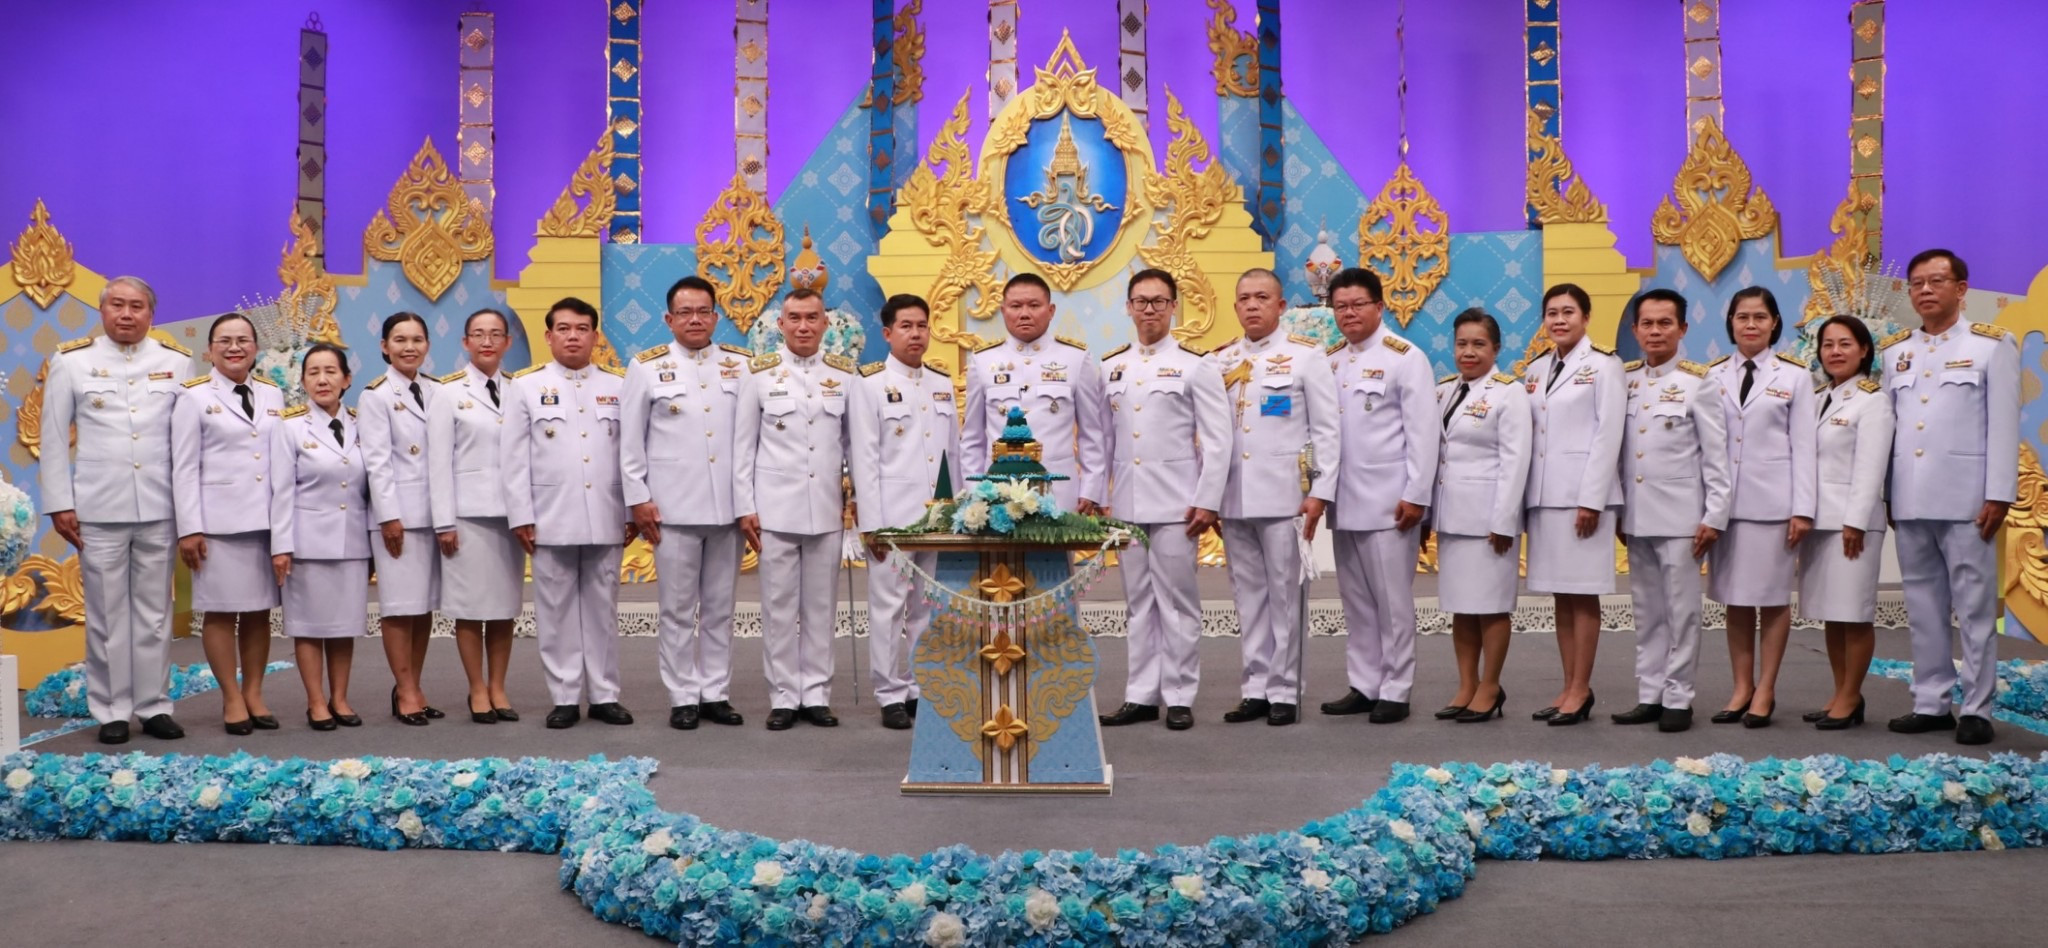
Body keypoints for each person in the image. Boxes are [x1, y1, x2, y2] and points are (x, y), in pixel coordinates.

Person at [41, 276, 194, 744]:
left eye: (137, 306)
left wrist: (189, 511)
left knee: (154, 613)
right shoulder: (72, 361)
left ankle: (154, 706)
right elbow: (53, 438)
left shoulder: (177, 362)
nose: (126, 314)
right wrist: (60, 503)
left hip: (159, 505)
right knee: (107, 613)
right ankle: (111, 709)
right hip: (98, 508)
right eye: (117, 305)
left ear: (151, 313)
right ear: (103, 311)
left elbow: (187, 443)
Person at [1884, 249, 2017, 745]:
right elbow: (1891, 428)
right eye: (1917, 282)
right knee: (1922, 605)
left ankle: (1977, 708)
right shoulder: (1895, 352)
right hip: (1910, 496)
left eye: (1936, 280)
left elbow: (2004, 424)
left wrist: (1999, 493)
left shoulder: (1990, 345)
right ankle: (1931, 701)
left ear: (1961, 289)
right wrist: (1887, 494)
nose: (1924, 290)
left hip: (1968, 499)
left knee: (1975, 608)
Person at [1092, 270, 1229, 732]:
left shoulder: (1196, 365)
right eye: (1141, 301)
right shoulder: (1112, 367)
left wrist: (1208, 499)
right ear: (1128, 307)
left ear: (1173, 307)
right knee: (1138, 604)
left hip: (1177, 504)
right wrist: (1103, 496)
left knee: (1177, 602)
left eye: (1158, 301)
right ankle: (1141, 695)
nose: (1149, 309)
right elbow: (1104, 441)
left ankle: (1179, 695)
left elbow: (1217, 440)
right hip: (1128, 505)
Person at [621, 276, 753, 730]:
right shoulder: (646, 367)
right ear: (669, 319)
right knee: (677, 609)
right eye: (685, 312)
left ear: (715, 317)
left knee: (720, 607)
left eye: (703, 312)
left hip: (728, 508)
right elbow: (631, 442)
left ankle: (715, 692)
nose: (695, 320)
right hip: (672, 509)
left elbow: (749, 441)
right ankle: (682, 696)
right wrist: (638, 499)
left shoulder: (741, 365)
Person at [1211, 268, 1340, 726]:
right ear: (1235, 306)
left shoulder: (1305, 357)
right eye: (1244, 298)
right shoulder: (1220, 359)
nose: (1252, 305)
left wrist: (1320, 492)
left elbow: (1327, 430)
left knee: (1286, 596)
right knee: (1247, 597)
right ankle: (1255, 687)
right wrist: (1210, 496)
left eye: (1262, 297)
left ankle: (1285, 689)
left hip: (1286, 496)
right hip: (1234, 495)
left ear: (1281, 306)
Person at [504, 297, 635, 730]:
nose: (573, 336)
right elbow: (513, 458)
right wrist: (521, 515)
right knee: (556, 611)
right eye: (563, 329)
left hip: (606, 513)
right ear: (549, 336)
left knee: (603, 610)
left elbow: (632, 453)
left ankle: (604, 695)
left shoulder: (618, 385)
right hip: (549, 516)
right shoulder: (526, 386)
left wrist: (631, 510)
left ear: (595, 336)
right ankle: (563, 696)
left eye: (582, 329)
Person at [1316, 268, 1436, 725]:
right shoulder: (1330, 361)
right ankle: (1364, 684)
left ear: (1379, 307)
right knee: (1357, 601)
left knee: (1392, 603)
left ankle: (1396, 688)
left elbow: (1423, 433)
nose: (1348, 314)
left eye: (1357, 305)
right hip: (1343, 500)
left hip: (1390, 502)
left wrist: (1417, 495)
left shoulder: (1405, 358)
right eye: (1340, 307)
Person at [735, 288, 857, 731]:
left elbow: (854, 445)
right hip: (774, 510)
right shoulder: (758, 374)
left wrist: (857, 498)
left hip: (826, 507)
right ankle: (784, 696)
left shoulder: (845, 375)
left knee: (822, 608)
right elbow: (743, 448)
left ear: (826, 323)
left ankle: (817, 695)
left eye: (811, 317)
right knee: (779, 606)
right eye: (795, 318)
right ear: (780, 324)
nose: (803, 326)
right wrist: (745, 505)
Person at [1611, 290, 1731, 733]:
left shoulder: (1700, 382)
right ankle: (1650, 693)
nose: (1655, 331)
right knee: (1647, 610)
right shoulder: (1625, 381)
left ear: (1682, 329)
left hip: (1683, 518)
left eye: (1665, 323)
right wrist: (1618, 509)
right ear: (1635, 330)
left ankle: (1678, 697)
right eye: (1647, 323)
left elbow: (1716, 456)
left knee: (1682, 612)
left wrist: (1714, 515)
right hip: (1637, 515)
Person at [1704, 287, 1816, 727]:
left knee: (1770, 599)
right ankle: (1741, 687)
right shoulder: (1712, 375)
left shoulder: (1795, 376)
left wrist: (1802, 508)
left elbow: (1804, 447)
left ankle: (1766, 688)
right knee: (1734, 599)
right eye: (1742, 317)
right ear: (1730, 323)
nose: (1750, 324)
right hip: (1724, 506)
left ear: (1774, 323)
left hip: (1773, 505)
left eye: (1759, 317)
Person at [850, 293, 962, 729]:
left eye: (921, 326)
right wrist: (872, 525)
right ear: (887, 333)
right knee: (888, 607)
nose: (916, 334)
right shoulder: (869, 384)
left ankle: (920, 686)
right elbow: (864, 458)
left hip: (937, 518)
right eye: (906, 326)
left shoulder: (940, 382)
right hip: (892, 518)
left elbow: (952, 455)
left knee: (928, 606)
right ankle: (889, 692)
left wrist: (957, 512)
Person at [171, 313, 286, 735]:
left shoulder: (273, 393)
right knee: (220, 612)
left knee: (258, 611)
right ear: (210, 350)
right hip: (216, 524)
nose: (234, 347)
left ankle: (254, 692)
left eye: (243, 340)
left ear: (255, 348)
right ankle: (231, 697)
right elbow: (184, 466)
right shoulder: (193, 396)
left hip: (264, 521)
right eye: (225, 340)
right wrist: (189, 527)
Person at [1522, 283, 1624, 727]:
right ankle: (1568, 686)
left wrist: (1592, 498)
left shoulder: (1604, 364)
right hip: (1546, 496)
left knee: (1582, 594)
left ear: (1586, 317)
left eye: (1568, 312)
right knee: (1561, 596)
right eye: (1552, 313)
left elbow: (1608, 433)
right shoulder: (1535, 368)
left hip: (1584, 499)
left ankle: (1582, 688)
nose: (1559, 320)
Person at [1429, 308, 1529, 724]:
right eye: (1462, 344)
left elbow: (1515, 461)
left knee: (1491, 606)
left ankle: (1491, 685)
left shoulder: (1509, 393)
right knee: (1462, 606)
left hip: (1489, 520)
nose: (1468, 352)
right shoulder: (1444, 391)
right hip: (1452, 515)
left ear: (1496, 348)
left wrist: (1504, 519)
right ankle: (1466, 683)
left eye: (1478, 344)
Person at [428, 308, 525, 723]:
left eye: (496, 334)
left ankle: (499, 687)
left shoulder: (520, 389)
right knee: (468, 608)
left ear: (507, 342)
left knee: (504, 608)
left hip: (511, 516)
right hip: (466, 517)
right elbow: (438, 462)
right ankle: (477, 688)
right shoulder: (448, 392)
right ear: (465, 342)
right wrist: (444, 522)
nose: (488, 342)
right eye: (479, 334)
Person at [268, 343, 370, 730]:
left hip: (353, 541)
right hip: (306, 543)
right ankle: (315, 701)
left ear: (347, 379)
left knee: (344, 626)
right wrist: (281, 546)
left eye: (330, 371)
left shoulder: (364, 424)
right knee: (308, 626)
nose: (322, 380)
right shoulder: (290, 427)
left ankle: (340, 698)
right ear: (303, 380)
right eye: (313, 372)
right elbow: (281, 491)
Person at [1800, 315, 1893, 730]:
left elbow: (1871, 468)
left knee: (1854, 614)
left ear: (1864, 350)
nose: (1835, 352)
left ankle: (1852, 695)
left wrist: (1855, 522)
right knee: (1832, 613)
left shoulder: (1873, 400)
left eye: (1844, 344)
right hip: (1819, 521)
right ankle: (1841, 693)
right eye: (1828, 344)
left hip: (1852, 525)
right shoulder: (1818, 396)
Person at [961, 273, 1109, 514]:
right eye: (1015, 306)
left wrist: (1090, 489)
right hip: (997, 493)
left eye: (1034, 305)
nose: (1024, 313)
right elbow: (972, 438)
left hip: (1058, 493)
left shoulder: (1075, 358)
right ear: (1003, 311)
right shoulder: (983, 360)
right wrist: (975, 492)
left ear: (1051, 311)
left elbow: (1091, 433)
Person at [358, 312, 443, 725]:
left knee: (423, 606)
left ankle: (414, 685)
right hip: (397, 517)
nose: (409, 347)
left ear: (427, 345)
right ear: (384, 346)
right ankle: (405, 690)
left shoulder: (437, 390)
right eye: (400, 340)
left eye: (417, 339)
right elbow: (376, 463)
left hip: (433, 513)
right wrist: (389, 516)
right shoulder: (375, 396)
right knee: (398, 606)